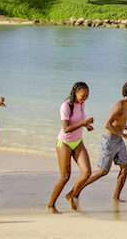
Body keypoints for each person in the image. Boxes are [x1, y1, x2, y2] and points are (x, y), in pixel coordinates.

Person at [72, 81, 127, 202]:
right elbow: (107, 125)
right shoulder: (120, 105)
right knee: (103, 171)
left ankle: (116, 198)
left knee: (125, 168)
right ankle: (76, 190)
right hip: (109, 140)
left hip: (119, 140)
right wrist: (124, 134)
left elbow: (119, 121)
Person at [47, 81, 95, 213]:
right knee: (65, 176)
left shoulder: (81, 104)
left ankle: (71, 195)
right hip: (64, 143)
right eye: (83, 95)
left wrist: (86, 125)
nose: (85, 98)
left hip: (78, 141)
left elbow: (79, 120)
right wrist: (84, 123)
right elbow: (66, 128)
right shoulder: (66, 105)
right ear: (75, 92)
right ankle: (51, 205)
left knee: (87, 173)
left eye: (87, 96)